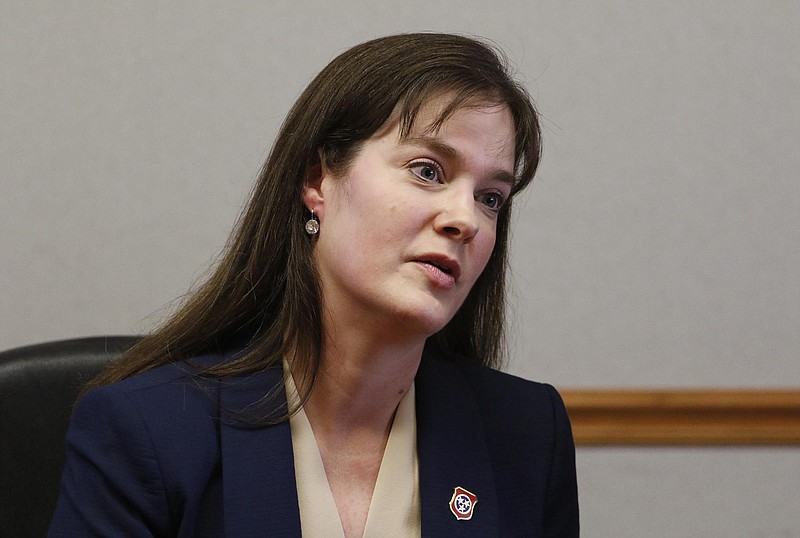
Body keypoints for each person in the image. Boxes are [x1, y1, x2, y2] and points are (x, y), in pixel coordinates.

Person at [48, 33, 579, 537]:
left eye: (491, 198)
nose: (464, 218)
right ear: (316, 180)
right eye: (427, 171)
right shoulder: (147, 430)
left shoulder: (527, 435)